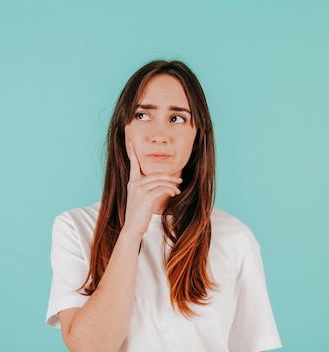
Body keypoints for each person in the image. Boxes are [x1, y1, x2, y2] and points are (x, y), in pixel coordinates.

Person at [45, 60, 282, 352]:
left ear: (198, 136)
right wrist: (132, 230)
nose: (159, 135)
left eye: (177, 118)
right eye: (143, 115)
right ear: (123, 129)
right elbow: (90, 347)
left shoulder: (235, 238)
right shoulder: (75, 228)